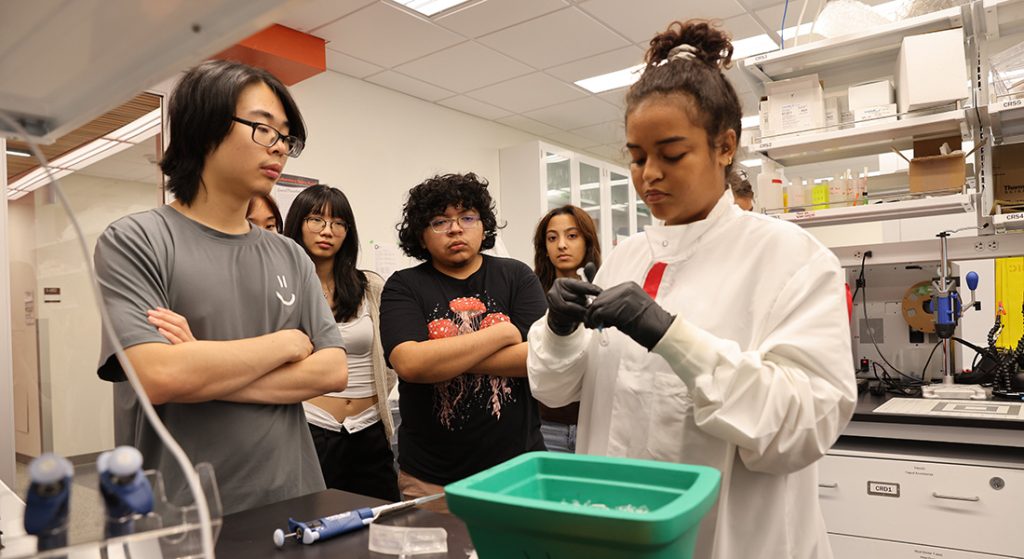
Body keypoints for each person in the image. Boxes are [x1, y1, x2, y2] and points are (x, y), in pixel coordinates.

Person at [527, 20, 855, 559]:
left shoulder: (793, 259)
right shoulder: (626, 258)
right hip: (618, 534)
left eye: (671, 154)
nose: (648, 175)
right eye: (636, 157)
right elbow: (555, 391)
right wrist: (558, 331)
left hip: (733, 540)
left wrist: (669, 335)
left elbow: (802, 428)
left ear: (725, 147)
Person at [94, 60, 348, 515]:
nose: (280, 149)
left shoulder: (289, 254)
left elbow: (331, 371)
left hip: (295, 495)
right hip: (184, 511)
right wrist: (287, 342)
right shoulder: (136, 239)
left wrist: (203, 366)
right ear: (204, 127)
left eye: (286, 137)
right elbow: (159, 376)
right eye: (263, 129)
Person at [380, 173, 547, 513]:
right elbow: (410, 364)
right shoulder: (403, 286)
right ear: (421, 237)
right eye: (440, 221)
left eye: (467, 217)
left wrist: (440, 356)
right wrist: (504, 334)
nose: (456, 229)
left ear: (483, 225)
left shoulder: (516, 276)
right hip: (432, 478)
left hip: (518, 471)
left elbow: (541, 356)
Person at [282, 184, 401, 502]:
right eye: (316, 219)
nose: (327, 230)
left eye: (338, 223)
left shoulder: (370, 286)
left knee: (381, 522)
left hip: (370, 427)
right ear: (297, 224)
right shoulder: (283, 289)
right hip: (309, 426)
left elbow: (387, 357)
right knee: (313, 525)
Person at [531, 205, 602, 453]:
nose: (561, 245)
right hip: (546, 425)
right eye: (552, 238)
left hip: (596, 423)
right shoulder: (530, 296)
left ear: (587, 240)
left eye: (572, 236)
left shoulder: (606, 289)